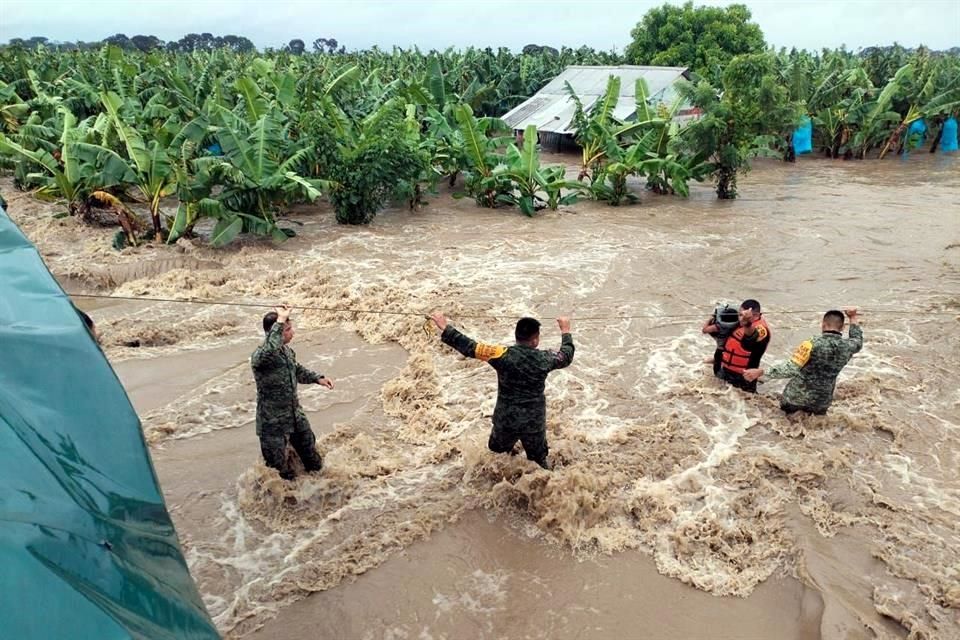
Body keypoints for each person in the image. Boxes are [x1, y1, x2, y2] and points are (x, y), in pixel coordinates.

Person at [430, 312, 574, 469]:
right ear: (535, 340)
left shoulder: (500, 354)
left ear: (516, 336)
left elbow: (469, 346)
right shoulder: (545, 359)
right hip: (533, 422)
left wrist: (444, 326)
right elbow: (565, 356)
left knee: (497, 453)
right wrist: (565, 330)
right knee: (538, 461)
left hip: (506, 418)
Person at [250, 305, 334, 480]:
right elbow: (269, 349)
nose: (292, 332)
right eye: (287, 330)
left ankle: (320, 489)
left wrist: (317, 378)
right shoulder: (261, 356)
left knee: (312, 457)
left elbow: (296, 370)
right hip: (272, 423)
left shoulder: (286, 352)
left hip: (294, 415)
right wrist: (280, 320)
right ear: (276, 332)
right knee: (276, 471)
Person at [744, 308, 862, 415]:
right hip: (821, 403)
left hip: (794, 400)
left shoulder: (811, 343)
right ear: (842, 328)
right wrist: (852, 317)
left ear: (823, 325)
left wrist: (761, 372)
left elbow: (791, 368)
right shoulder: (848, 346)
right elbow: (857, 339)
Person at [717, 299, 770, 392]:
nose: (740, 318)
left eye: (742, 315)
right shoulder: (739, 323)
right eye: (740, 314)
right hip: (726, 370)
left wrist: (747, 323)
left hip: (744, 376)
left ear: (756, 315)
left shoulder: (762, 331)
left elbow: (748, 342)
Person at [702, 303, 741, 376]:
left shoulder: (718, 327)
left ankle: (717, 375)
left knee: (717, 371)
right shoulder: (738, 325)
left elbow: (704, 330)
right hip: (733, 349)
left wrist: (711, 318)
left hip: (720, 349)